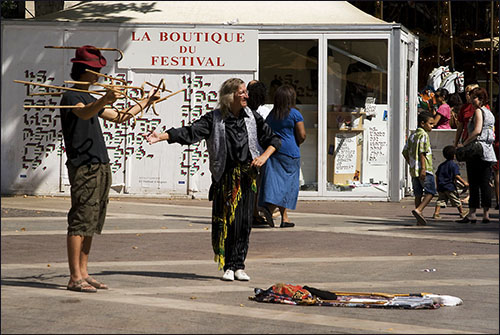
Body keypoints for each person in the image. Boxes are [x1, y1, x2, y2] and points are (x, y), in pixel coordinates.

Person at [145, 78, 281, 281]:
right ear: (230, 96)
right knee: (226, 221)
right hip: (224, 177)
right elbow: (190, 132)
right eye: (242, 92)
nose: (246, 95)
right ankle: (227, 265)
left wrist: (263, 157)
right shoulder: (214, 118)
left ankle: (239, 265)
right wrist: (163, 136)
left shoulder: (252, 117)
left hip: (247, 176)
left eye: (246, 92)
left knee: (244, 222)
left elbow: (274, 140)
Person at [61, 45, 160, 293]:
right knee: (80, 219)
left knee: (92, 220)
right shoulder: (71, 96)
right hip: (84, 166)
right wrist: (104, 99)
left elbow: (120, 116)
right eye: (96, 70)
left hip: (100, 164)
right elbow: (84, 115)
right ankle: (74, 276)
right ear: (84, 71)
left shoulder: (90, 97)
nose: (99, 75)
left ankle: (84, 272)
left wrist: (145, 101)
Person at [258, 85, 306, 228]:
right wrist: (297, 142)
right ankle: (270, 208)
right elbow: (302, 134)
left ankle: (285, 218)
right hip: (291, 152)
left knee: (278, 183)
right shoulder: (295, 114)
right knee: (288, 185)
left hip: (274, 151)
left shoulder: (272, 115)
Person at [456, 87, 496, 224]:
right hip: (488, 151)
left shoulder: (478, 111)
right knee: (485, 182)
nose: (472, 100)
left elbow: (477, 130)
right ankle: (486, 213)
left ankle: (472, 213)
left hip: (476, 150)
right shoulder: (489, 112)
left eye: (475, 97)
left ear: (481, 99)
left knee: (474, 182)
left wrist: (464, 143)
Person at [246, 80, 274, 227]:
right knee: (256, 184)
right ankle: (254, 213)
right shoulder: (265, 112)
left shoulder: (244, 110)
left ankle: (252, 213)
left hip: (247, 152)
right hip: (261, 153)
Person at [402, 112, 436, 225]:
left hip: (413, 170)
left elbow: (405, 151)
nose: (432, 126)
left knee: (418, 194)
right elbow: (422, 153)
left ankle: (419, 219)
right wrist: (423, 168)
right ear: (423, 123)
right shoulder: (423, 135)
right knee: (430, 192)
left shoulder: (412, 135)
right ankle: (419, 210)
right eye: (430, 124)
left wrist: (411, 163)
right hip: (424, 169)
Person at [432, 145, 469, 219]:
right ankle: (462, 212)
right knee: (456, 199)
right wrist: (464, 182)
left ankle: (436, 213)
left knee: (441, 200)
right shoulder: (453, 165)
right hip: (450, 187)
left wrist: (437, 186)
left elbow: (437, 175)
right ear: (454, 155)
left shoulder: (441, 165)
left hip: (441, 186)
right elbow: (456, 176)